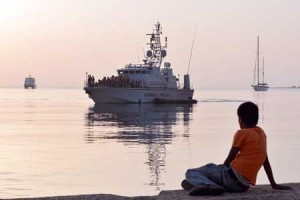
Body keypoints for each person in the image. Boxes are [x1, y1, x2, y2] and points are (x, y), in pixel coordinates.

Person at [181, 101, 292, 196]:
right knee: (206, 173)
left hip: (231, 178)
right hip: (243, 186)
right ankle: (203, 184)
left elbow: (230, 157)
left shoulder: (241, 133)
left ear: (240, 119)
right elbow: (265, 161)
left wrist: (222, 168)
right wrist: (273, 184)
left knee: (191, 172)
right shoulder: (261, 133)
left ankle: (210, 186)